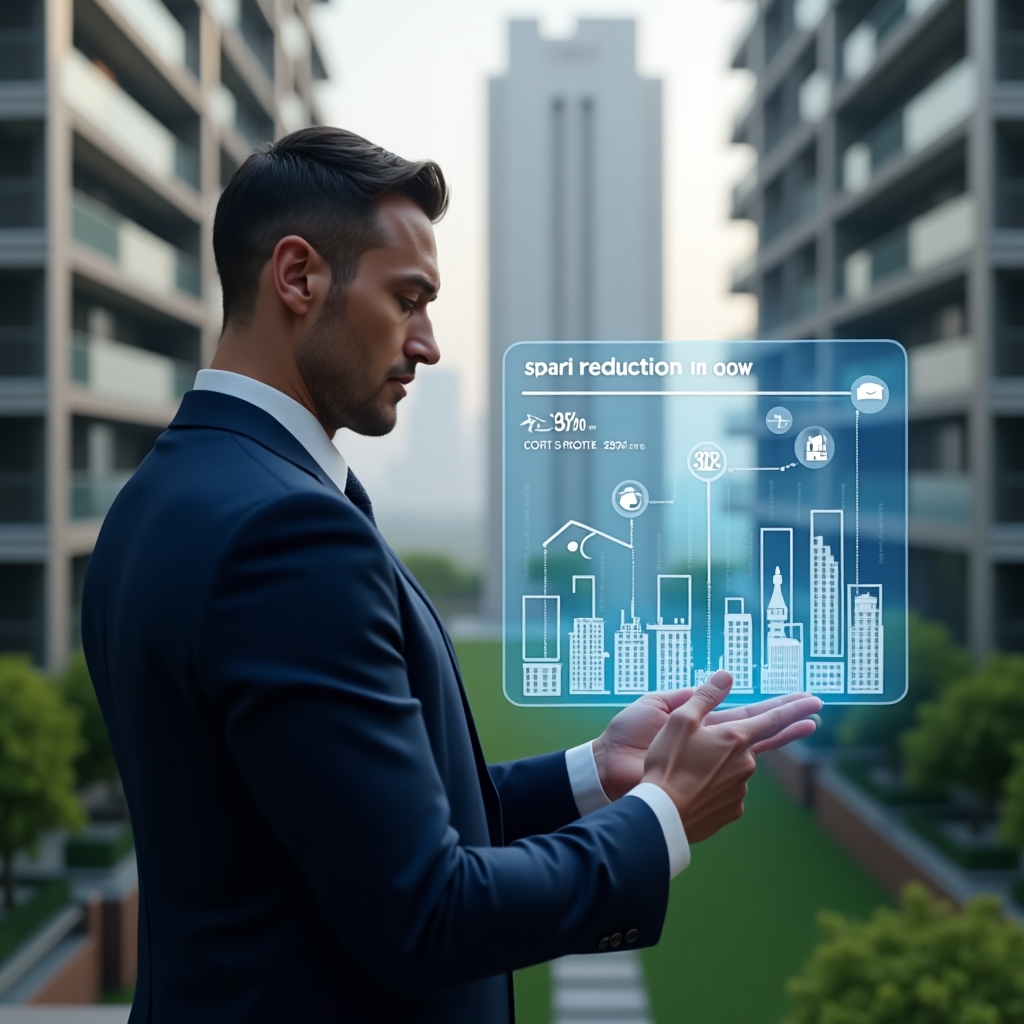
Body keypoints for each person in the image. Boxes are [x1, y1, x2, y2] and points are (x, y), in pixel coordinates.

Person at [82, 127, 822, 1024]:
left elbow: (343, 824)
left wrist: (595, 773)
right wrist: (663, 816)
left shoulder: (162, 495)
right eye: (409, 300)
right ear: (298, 275)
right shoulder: (286, 531)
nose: (427, 345)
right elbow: (426, 912)